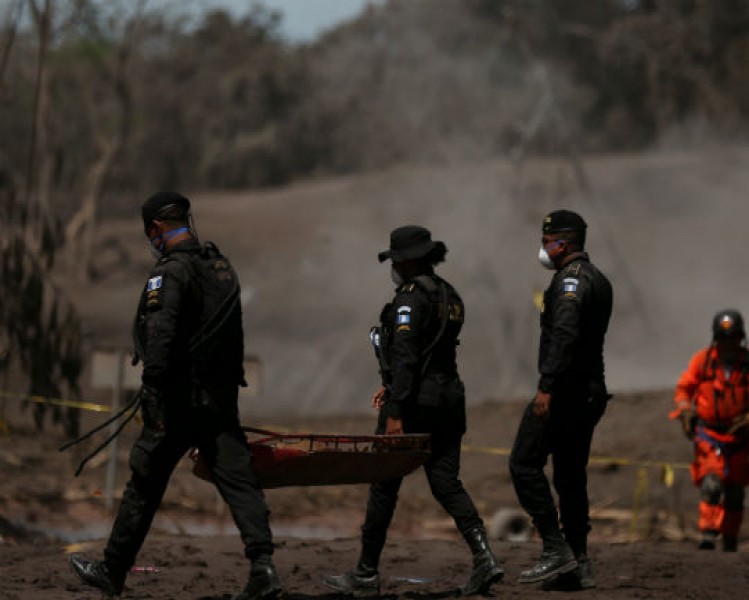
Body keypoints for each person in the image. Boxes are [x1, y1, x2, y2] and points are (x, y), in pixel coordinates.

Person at [68, 192, 281, 599]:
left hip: (178, 403)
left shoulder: (168, 274)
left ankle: (112, 570)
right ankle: (264, 568)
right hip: (218, 403)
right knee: (240, 483)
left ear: (155, 229)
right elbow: (234, 337)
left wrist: (152, 393)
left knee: (144, 483)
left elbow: (160, 336)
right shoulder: (220, 268)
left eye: (150, 232)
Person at [324, 225, 503, 597]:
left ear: (406, 262)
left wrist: (395, 409)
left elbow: (406, 356)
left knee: (384, 485)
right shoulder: (450, 295)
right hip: (450, 401)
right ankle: (485, 557)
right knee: (446, 483)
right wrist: (393, 385)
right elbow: (432, 354)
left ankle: (366, 571)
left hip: (414, 404)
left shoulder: (408, 299)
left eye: (396, 261)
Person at [508, 209, 612, 591]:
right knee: (570, 476)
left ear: (562, 243)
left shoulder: (569, 283)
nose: (543, 247)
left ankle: (554, 548)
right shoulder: (598, 278)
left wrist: (546, 386)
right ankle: (578, 560)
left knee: (523, 463)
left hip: (566, 390)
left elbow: (565, 335)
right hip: (590, 390)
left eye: (546, 240)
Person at [670, 309, 749, 552]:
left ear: (741, 337)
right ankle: (708, 533)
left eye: (733, 337)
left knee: (735, 492)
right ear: (716, 338)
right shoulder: (703, 360)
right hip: (709, 435)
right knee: (711, 483)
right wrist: (685, 411)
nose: (729, 343)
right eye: (724, 337)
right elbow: (684, 389)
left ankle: (730, 540)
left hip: (739, 436)